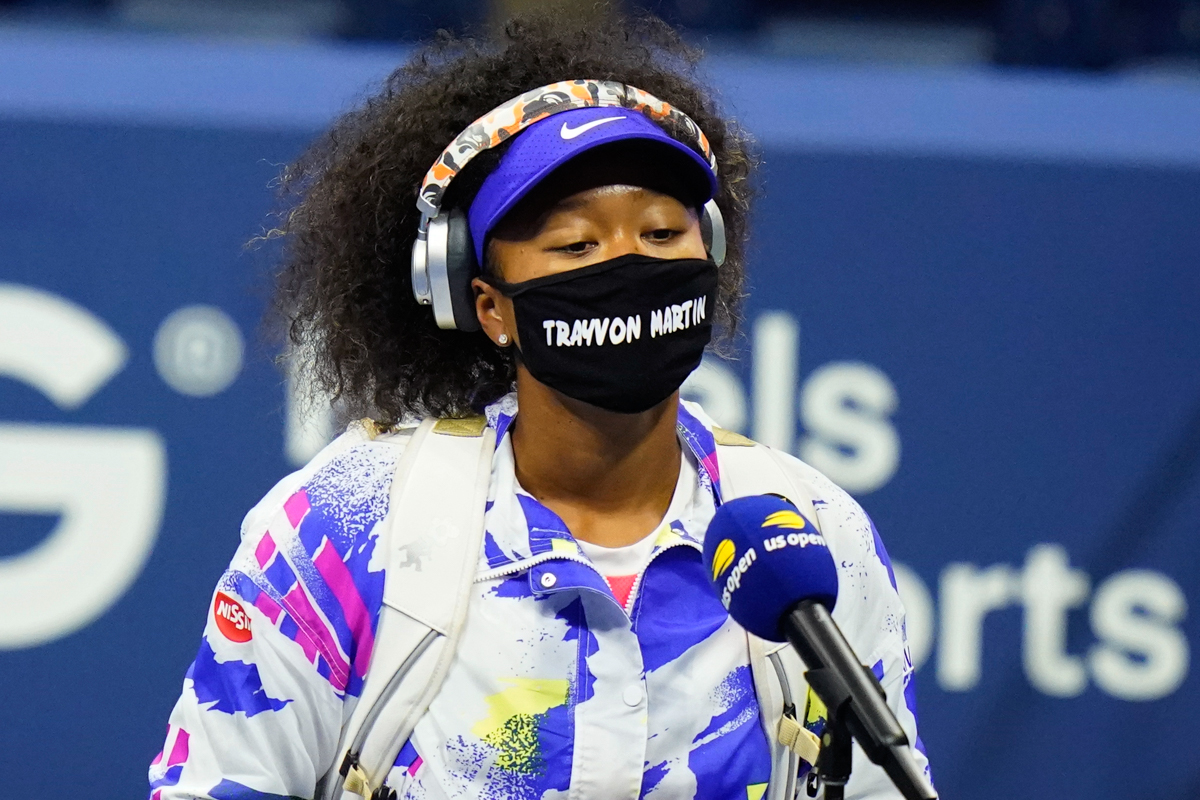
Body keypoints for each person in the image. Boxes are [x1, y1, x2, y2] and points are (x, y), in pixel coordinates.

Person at [150, 8, 930, 800]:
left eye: (662, 235)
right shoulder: (346, 527)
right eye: (577, 247)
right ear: (488, 306)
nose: (628, 265)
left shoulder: (811, 531)